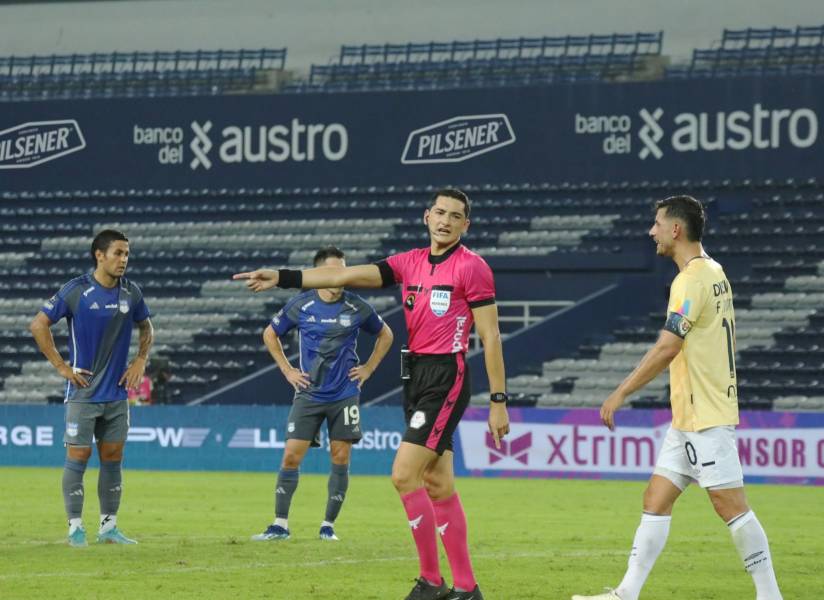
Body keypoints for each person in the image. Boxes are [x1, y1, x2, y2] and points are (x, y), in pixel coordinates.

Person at [235, 188, 510, 600]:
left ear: (465, 225)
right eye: (439, 212)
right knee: (438, 483)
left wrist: (498, 400)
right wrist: (283, 277)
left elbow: (490, 336)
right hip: (415, 375)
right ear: (426, 216)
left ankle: (431, 582)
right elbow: (340, 276)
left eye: (455, 216)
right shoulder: (408, 263)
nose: (446, 220)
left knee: (403, 474)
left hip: (444, 376)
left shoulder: (473, 268)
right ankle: (467, 588)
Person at [572, 196, 782, 600]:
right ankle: (625, 593)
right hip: (688, 416)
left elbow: (668, 346)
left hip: (705, 415)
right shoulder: (714, 270)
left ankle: (770, 594)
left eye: (656, 224)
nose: (651, 231)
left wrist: (620, 392)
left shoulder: (689, 280)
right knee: (656, 497)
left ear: (676, 230)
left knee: (730, 505)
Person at [250, 246, 394, 542]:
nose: (339, 276)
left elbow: (386, 334)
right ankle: (280, 524)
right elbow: (270, 333)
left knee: (340, 457)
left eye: (343, 269)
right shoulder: (301, 305)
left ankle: (328, 526)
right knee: (291, 456)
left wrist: (367, 369)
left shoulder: (357, 307)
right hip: (309, 393)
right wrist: (288, 370)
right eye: (332, 270)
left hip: (345, 394)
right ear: (316, 273)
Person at [30, 229, 153, 547]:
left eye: (127, 253)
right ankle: (74, 528)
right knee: (79, 455)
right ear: (99, 255)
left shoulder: (131, 292)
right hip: (83, 392)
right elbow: (39, 323)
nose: (124, 259)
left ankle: (109, 528)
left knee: (113, 456)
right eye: (118, 253)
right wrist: (61, 367)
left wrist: (140, 359)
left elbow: (146, 325)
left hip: (116, 394)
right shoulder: (76, 290)